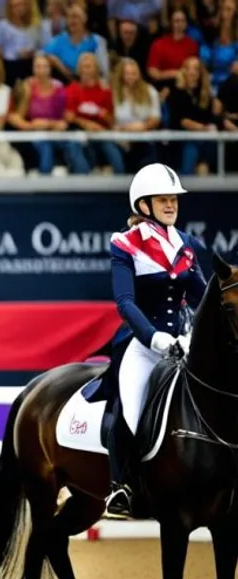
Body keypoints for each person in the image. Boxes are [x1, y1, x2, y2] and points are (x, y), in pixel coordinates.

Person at [105, 162, 205, 518]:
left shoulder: (187, 244)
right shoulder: (125, 245)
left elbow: (202, 296)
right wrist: (155, 338)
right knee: (128, 408)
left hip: (183, 342)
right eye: (163, 199)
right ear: (143, 205)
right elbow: (125, 303)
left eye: (174, 200)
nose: (171, 205)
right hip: (143, 345)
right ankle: (122, 487)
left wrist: (199, 331)